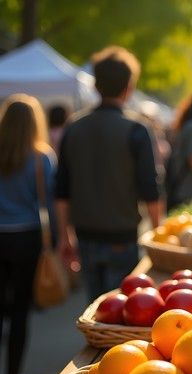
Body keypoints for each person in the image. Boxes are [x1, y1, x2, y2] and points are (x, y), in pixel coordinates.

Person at [55, 46, 162, 302]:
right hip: (122, 236)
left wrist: (63, 236)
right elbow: (151, 187)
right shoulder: (137, 129)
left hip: (85, 235)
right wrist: (157, 234)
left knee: (94, 307)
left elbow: (61, 188)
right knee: (121, 312)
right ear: (130, 87)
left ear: (95, 86)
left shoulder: (74, 127)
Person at [0, 93, 56, 374]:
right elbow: (48, 203)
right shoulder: (41, 157)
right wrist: (57, 242)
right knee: (21, 308)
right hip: (26, 237)